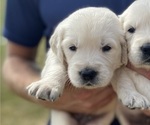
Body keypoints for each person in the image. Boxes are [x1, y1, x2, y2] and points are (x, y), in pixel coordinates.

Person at [2, 0, 150, 125]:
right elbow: (17, 58)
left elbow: (122, 70)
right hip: (67, 115)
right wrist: (50, 87)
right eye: (72, 47)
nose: (88, 68)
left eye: (106, 47)